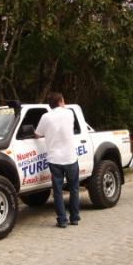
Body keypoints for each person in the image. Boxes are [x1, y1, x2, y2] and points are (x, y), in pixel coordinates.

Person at [35, 92, 80, 228]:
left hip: (54, 159)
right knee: (74, 189)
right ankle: (74, 218)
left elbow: (38, 134)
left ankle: (61, 220)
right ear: (61, 101)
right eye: (63, 100)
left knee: (58, 191)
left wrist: (34, 132)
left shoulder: (45, 117)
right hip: (70, 157)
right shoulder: (70, 113)